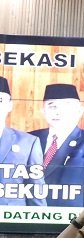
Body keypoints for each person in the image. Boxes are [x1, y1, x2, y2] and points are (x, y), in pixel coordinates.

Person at [29, 83, 84, 207]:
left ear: (80, 111)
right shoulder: (29, 139)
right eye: (52, 106)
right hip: (28, 218)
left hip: (75, 222)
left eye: (66, 106)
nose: (58, 112)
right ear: (43, 111)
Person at [0, 76, 46, 207]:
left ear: (9, 105)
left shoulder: (28, 142)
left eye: (0, 100)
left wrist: (41, 224)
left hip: (11, 219)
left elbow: (36, 189)